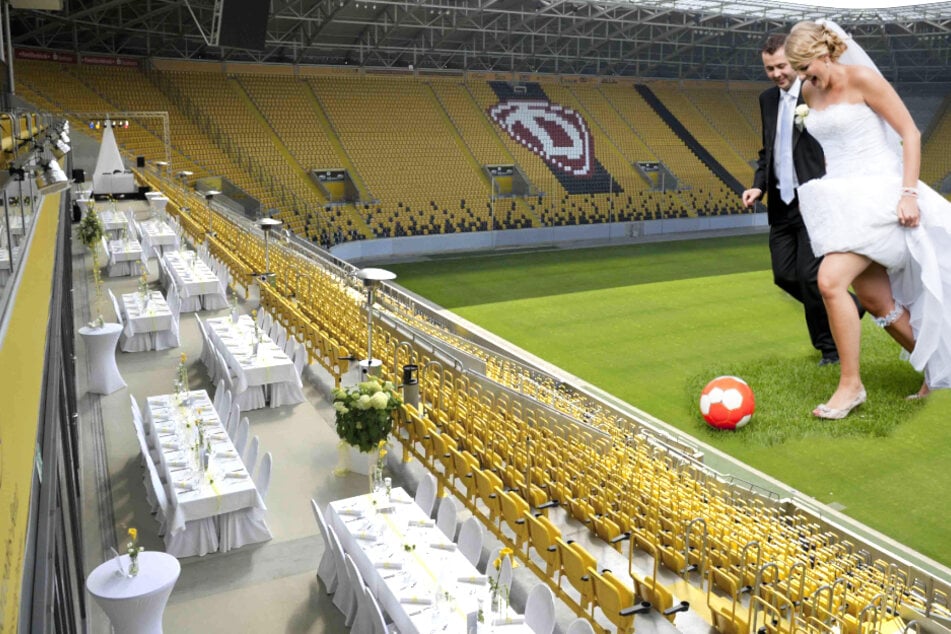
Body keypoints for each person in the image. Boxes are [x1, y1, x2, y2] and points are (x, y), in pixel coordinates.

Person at [784, 20, 951, 418]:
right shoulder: (808, 91)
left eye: (806, 67)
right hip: (842, 199)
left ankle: (851, 386)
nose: (803, 78)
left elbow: (909, 133)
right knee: (876, 301)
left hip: (883, 196)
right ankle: (940, 371)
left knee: (829, 280)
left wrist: (908, 194)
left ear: (824, 54)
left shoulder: (862, 79)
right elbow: (833, 147)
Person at [742, 34, 852, 367]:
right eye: (769, 68)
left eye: (780, 66)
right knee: (784, 276)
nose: (776, 74)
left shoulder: (816, 93)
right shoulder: (766, 100)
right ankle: (852, 307)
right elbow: (768, 151)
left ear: (794, 61)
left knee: (809, 276)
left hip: (813, 201)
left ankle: (829, 351)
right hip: (780, 204)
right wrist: (758, 186)